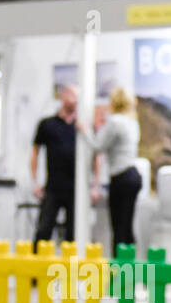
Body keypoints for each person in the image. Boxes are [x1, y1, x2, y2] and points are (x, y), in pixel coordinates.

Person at [79, 87, 142, 255]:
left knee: (118, 228)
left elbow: (98, 146)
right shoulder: (132, 122)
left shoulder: (115, 122)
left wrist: (85, 131)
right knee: (127, 225)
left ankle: (119, 274)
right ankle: (130, 270)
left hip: (121, 177)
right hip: (134, 176)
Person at [31, 86, 83, 248]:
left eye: (77, 98)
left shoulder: (81, 127)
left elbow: (96, 156)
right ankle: (35, 272)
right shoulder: (47, 124)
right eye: (72, 96)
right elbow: (35, 153)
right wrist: (35, 182)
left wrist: (94, 184)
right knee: (43, 231)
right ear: (63, 96)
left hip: (76, 190)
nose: (75, 101)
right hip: (53, 187)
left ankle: (70, 273)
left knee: (73, 235)